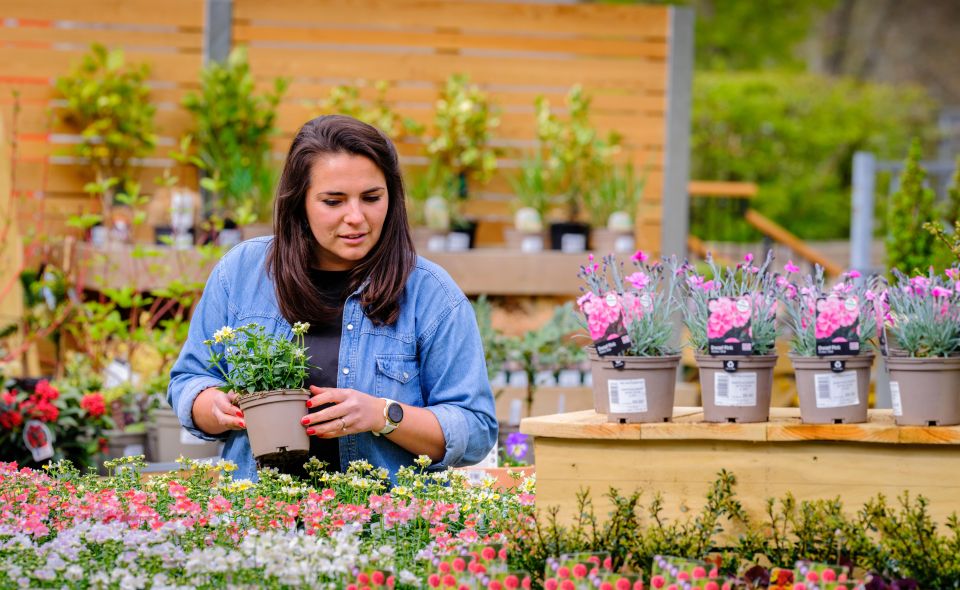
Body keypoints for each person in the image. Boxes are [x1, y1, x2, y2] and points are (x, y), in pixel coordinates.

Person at [167, 115, 498, 481]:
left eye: (371, 198)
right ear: (300, 202)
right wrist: (211, 406)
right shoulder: (242, 273)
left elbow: (476, 428)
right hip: (260, 523)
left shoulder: (429, 292)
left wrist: (382, 415)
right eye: (333, 201)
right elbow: (189, 379)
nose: (355, 217)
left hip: (382, 527)